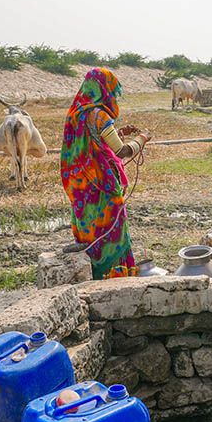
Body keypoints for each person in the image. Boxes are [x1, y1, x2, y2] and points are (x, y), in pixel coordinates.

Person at [61, 68, 152, 279]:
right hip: (102, 185)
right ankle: (114, 275)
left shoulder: (76, 114)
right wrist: (142, 138)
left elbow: (91, 142)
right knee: (112, 230)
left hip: (82, 186)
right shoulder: (100, 116)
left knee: (92, 229)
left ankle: (93, 274)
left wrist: (117, 133)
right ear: (104, 89)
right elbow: (122, 151)